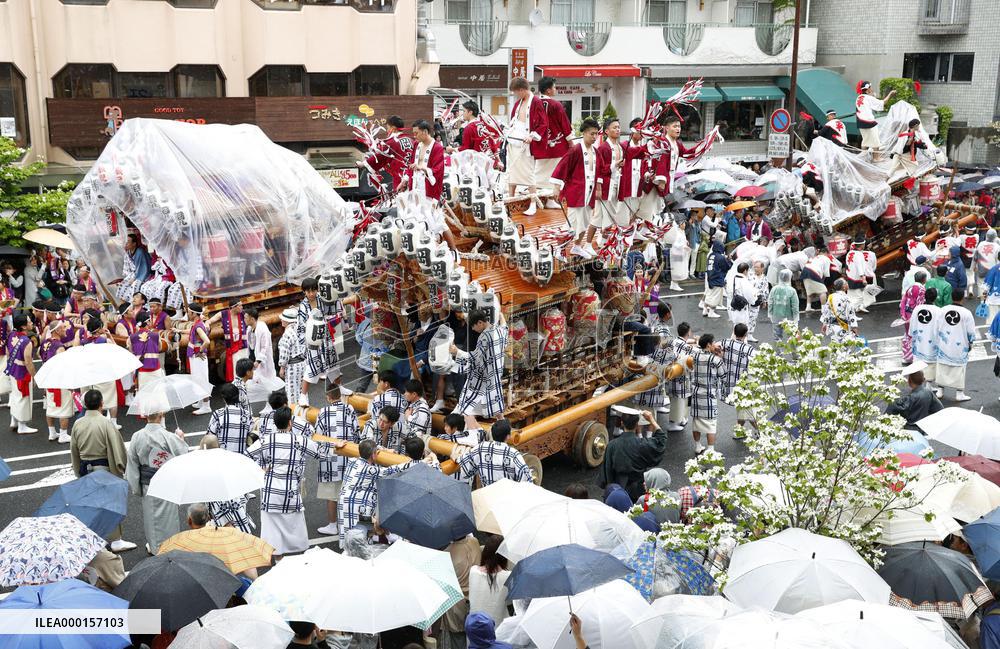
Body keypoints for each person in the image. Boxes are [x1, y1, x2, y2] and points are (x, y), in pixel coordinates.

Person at [247, 406, 329, 557]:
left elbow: (247, 456)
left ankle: (278, 559)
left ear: (275, 423)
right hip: (290, 491)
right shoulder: (299, 440)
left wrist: (261, 469)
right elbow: (321, 452)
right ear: (290, 423)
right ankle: (296, 557)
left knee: (272, 530)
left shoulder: (266, 440)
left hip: (270, 490)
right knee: (294, 526)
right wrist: (337, 444)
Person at [70, 389, 135, 553]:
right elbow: (117, 449)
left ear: (85, 405)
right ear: (101, 404)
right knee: (110, 505)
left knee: (91, 505)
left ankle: (95, 540)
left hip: (85, 469)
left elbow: (74, 451)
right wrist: (121, 468)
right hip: (104, 469)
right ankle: (116, 540)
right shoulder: (106, 423)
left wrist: (78, 471)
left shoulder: (78, 423)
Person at [126, 410, 189, 554]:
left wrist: (136, 487)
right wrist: (181, 439)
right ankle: (170, 547)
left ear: (145, 416)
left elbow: (132, 463)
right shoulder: (168, 436)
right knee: (169, 518)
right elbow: (183, 455)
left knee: (151, 519)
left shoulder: (137, 436)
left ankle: (155, 547)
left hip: (148, 484)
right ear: (161, 416)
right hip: (167, 483)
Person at [551, 117, 601, 260]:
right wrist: (556, 188)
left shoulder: (595, 151)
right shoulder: (575, 149)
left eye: (596, 134)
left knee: (585, 221)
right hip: (576, 191)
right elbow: (562, 167)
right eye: (591, 133)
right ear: (584, 133)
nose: (594, 137)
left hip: (589, 192)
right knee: (572, 223)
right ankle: (559, 248)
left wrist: (598, 188)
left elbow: (601, 171)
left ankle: (577, 246)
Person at [313, 384, 359, 537]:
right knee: (349, 493)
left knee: (331, 494)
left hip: (331, 458)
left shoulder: (323, 412)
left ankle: (333, 525)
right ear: (340, 395)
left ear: (328, 397)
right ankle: (350, 524)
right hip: (349, 456)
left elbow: (318, 436)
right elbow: (356, 432)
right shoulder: (350, 409)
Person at [598, 410, 667, 501]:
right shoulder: (642, 444)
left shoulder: (612, 445)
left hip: (618, 489)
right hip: (638, 489)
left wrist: (610, 489)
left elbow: (607, 470)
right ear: (637, 424)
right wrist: (652, 420)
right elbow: (661, 441)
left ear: (622, 423)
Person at [451, 310, 508, 418]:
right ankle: (502, 421)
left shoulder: (484, 337)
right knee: (495, 401)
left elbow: (475, 357)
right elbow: (504, 327)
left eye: (473, 326)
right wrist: (501, 315)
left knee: (467, 402)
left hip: (484, 376)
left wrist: (457, 352)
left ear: (480, 322)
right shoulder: (498, 330)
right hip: (496, 373)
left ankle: (462, 418)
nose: (473, 329)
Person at [336, 438, 393, 543]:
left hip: (344, 502)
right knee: (361, 541)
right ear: (373, 455)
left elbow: (366, 445)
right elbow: (393, 470)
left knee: (347, 538)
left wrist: (380, 449)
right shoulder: (370, 469)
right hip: (359, 507)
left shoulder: (352, 461)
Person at [296, 278, 342, 407]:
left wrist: (334, 295)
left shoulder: (321, 300)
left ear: (317, 290)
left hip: (325, 337)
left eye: (313, 290)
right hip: (312, 341)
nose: (311, 294)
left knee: (333, 363)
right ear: (304, 292)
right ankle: (303, 396)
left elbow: (332, 310)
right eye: (308, 291)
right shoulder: (303, 306)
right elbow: (300, 327)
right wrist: (304, 344)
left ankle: (339, 388)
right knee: (311, 367)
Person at [506, 76, 549, 216]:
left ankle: (533, 203)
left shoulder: (536, 102)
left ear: (522, 90)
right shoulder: (519, 103)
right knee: (512, 172)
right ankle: (510, 201)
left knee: (529, 174)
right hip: (514, 140)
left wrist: (532, 136)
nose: (515, 95)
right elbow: (514, 121)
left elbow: (543, 123)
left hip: (525, 142)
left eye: (515, 92)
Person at [198, 434, 254, 535]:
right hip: (239, 515)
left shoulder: (211, 477)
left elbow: (225, 519)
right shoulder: (230, 465)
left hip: (230, 530)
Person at [457, 419, 533, 487]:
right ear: (508, 437)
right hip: (508, 495)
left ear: (492, 433)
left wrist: (456, 457)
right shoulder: (513, 454)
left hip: (488, 495)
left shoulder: (481, 448)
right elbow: (526, 478)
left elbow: (465, 466)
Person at [537, 76, 572, 208]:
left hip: (539, 144)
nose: (555, 89)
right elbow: (565, 124)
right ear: (548, 90)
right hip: (557, 145)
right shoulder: (556, 105)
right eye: (554, 87)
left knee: (539, 172)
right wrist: (571, 141)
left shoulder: (533, 104)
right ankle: (550, 199)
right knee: (554, 173)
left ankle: (539, 199)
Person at [935, 292, 977, 402]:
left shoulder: (942, 310)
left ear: (951, 297)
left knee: (942, 366)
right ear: (963, 298)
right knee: (959, 369)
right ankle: (959, 393)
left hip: (944, 344)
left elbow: (936, 327)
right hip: (960, 346)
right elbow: (971, 332)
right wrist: (971, 343)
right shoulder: (966, 313)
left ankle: (940, 391)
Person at [360, 114, 414, 193]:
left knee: (402, 198)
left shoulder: (392, 142)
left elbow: (380, 156)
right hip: (413, 176)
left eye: (388, 128)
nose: (387, 130)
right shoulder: (411, 140)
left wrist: (364, 163)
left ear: (393, 128)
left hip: (401, 178)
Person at [690, 333, 725, 456]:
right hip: (709, 395)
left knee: (696, 423)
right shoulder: (715, 360)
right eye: (713, 343)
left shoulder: (695, 356)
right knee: (710, 423)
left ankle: (698, 446)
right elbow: (723, 375)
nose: (715, 344)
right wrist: (720, 357)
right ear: (709, 345)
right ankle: (710, 449)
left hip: (696, 393)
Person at [39, 320, 73, 443]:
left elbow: (39, 355)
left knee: (50, 406)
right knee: (64, 407)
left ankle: (52, 432)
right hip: (59, 380)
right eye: (63, 327)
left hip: (48, 379)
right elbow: (63, 366)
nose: (66, 329)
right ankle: (63, 434)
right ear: (57, 331)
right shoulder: (59, 346)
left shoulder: (45, 343)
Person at [469, 534, 511, 626]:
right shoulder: (508, 576)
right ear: (504, 555)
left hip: (473, 627)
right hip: (496, 628)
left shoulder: (473, 571)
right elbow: (510, 602)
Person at [5, 314, 36, 434]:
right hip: (22, 372)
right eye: (29, 321)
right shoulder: (27, 341)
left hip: (13, 369)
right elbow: (28, 362)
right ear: (23, 326)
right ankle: (22, 426)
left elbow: (8, 352)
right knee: (23, 398)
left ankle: (14, 420)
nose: (31, 323)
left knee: (15, 396)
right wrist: (34, 376)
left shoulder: (11, 334)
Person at [720, 323, 756, 427]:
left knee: (742, 410)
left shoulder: (725, 343)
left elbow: (715, 347)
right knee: (748, 410)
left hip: (729, 384)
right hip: (743, 385)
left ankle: (739, 429)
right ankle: (760, 433)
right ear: (746, 334)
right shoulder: (749, 349)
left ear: (734, 332)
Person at [595, 116, 628, 230]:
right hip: (606, 185)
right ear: (606, 131)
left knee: (606, 215)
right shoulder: (603, 147)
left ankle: (603, 238)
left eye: (618, 127)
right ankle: (605, 238)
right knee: (608, 216)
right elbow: (599, 169)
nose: (618, 130)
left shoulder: (620, 146)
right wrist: (615, 165)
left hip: (617, 183)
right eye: (614, 128)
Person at [206, 383, 253, 455]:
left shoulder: (218, 414)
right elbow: (251, 434)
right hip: (241, 456)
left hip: (223, 455)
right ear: (238, 396)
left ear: (224, 399)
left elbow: (210, 436)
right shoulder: (246, 415)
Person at [275, 307, 306, 410]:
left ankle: (294, 414)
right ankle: (304, 412)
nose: (281, 320)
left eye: (283, 319)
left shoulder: (287, 334)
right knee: (302, 391)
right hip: (302, 364)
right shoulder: (300, 330)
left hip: (293, 366)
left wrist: (282, 368)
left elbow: (284, 353)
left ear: (287, 321)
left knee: (292, 393)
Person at [368, 371, 407, 449]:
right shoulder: (404, 400)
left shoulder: (379, 399)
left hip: (379, 440)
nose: (379, 384)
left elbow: (374, 419)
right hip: (398, 439)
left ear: (386, 384)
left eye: (380, 381)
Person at [185, 303, 212, 415]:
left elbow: (207, 341)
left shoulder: (198, 326)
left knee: (202, 380)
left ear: (194, 314)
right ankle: (201, 402)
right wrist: (179, 331)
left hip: (198, 357)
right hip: (195, 356)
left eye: (189, 312)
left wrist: (200, 351)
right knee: (197, 378)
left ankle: (206, 406)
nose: (187, 313)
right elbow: (193, 333)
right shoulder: (197, 324)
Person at [129, 311, 166, 391]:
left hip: (141, 370)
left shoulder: (132, 337)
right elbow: (159, 348)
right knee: (157, 392)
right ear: (148, 322)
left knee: (143, 393)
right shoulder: (156, 335)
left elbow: (131, 351)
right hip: (155, 368)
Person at [855, 80, 894, 153]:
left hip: (860, 122)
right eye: (870, 87)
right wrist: (890, 94)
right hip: (869, 122)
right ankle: (876, 158)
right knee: (876, 142)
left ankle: (863, 156)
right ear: (867, 89)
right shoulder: (868, 98)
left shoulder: (858, 98)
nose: (871, 89)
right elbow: (882, 103)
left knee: (865, 141)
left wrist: (872, 96)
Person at [900, 270, 928, 365]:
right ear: (924, 279)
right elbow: (919, 306)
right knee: (916, 335)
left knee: (908, 335)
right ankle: (914, 357)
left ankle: (906, 357)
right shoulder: (921, 289)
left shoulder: (910, 288)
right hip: (914, 316)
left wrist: (903, 314)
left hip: (906, 314)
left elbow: (903, 301)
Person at [844, 236, 877, 313]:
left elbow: (847, 266)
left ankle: (855, 309)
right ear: (862, 245)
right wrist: (863, 279)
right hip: (857, 278)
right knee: (863, 297)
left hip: (850, 277)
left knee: (852, 297)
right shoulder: (859, 254)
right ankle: (849, 310)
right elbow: (860, 267)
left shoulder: (849, 253)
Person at [820, 279, 859, 343]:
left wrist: (824, 323)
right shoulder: (846, 298)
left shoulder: (831, 297)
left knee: (835, 344)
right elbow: (851, 314)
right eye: (846, 283)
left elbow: (827, 312)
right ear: (843, 287)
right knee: (845, 345)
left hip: (833, 326)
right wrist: (854, 327)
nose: (847, 284)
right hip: (844, 326)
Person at [802, 247, 840, 312]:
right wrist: (822, 283)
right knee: (823, 291)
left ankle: (808, 307)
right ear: (826, 253)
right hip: (813, 272)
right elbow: (826, 274)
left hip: (805, 271)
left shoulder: (814, 257)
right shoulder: (826, 258)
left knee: (809, 291)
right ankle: (824, 308)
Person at [244, 307, 275, 382]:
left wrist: (258, 361)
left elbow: (264, 347)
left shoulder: (262, 329)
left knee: (265, 380)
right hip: (253, 357)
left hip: (261, 360)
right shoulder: (249, 329)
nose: (244, 320)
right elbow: (251, 345)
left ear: (252, 319)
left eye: (246, 318)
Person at [768, 269, 800, 340]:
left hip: (776, 315)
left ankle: (778, 346)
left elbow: (770, 302)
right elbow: (795, 306)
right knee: (792, 336)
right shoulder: (792, 290)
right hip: (789, 316)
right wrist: (796, 318)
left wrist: (770, 314)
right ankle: (791, 347)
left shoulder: (774, 289)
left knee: (777, 336)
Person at [703, 241, 730, 318]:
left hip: (710, 278)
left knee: (709, 295)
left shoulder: (711, 255)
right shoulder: (721, 257)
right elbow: (726, 267)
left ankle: (705, 310)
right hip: (717, 279)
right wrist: (728, 260)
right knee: (715, 297)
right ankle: (711, 312)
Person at [726, 262, 756, 328]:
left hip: (733, 304)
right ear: (745, 271)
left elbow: (728, 291)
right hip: (742, 307)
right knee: (742, 327)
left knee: (735, 326)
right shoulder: (744, 281)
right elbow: (749, 295)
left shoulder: (732, 278)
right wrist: (753, 301)